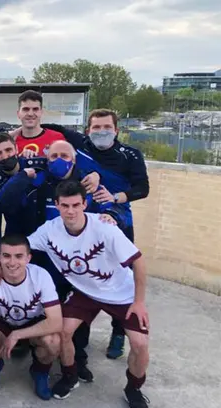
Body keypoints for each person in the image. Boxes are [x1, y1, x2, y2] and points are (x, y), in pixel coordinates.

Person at [0, 180, 151, 408]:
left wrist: (139, 301)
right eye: (65, 205)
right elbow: (18, 249)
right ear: (57, 205)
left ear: (85, 204)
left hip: (121, 293)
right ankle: (70, 375)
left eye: (75, 205)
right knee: (62, 332)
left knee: (140, 344)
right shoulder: (49, 230)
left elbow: (139, 261)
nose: (70, 211)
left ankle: (133, 389)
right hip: (84, 292)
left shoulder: (105, 228)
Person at [42, 109, 150, 359]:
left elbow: (142, 188)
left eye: (107, 127)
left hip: (115, 216)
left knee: (121, 273)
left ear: (117, 129)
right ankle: (81, 337)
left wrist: (116, 198)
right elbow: (51, 126)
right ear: (87, 130)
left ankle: (119, 331)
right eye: (96, 127)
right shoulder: (81, 146)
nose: (102, 132)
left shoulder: (130, 154)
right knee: (85, 275)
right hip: (84, 212)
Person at [0, 234, 62, 405]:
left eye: (19, 256)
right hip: (2, 323)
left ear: (28, 258)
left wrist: (17, 335)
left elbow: (56, 322)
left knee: (53, 341)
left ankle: (39, 371)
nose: (12, 262)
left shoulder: (41, 276)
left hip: (32, 322)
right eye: (6, 256)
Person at [14, 90, 65, 156]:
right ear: (18, 114)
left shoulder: (57, 138)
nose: (30, 114)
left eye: (35, 109)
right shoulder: (11, 143)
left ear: (41, 112)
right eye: (26, 109)